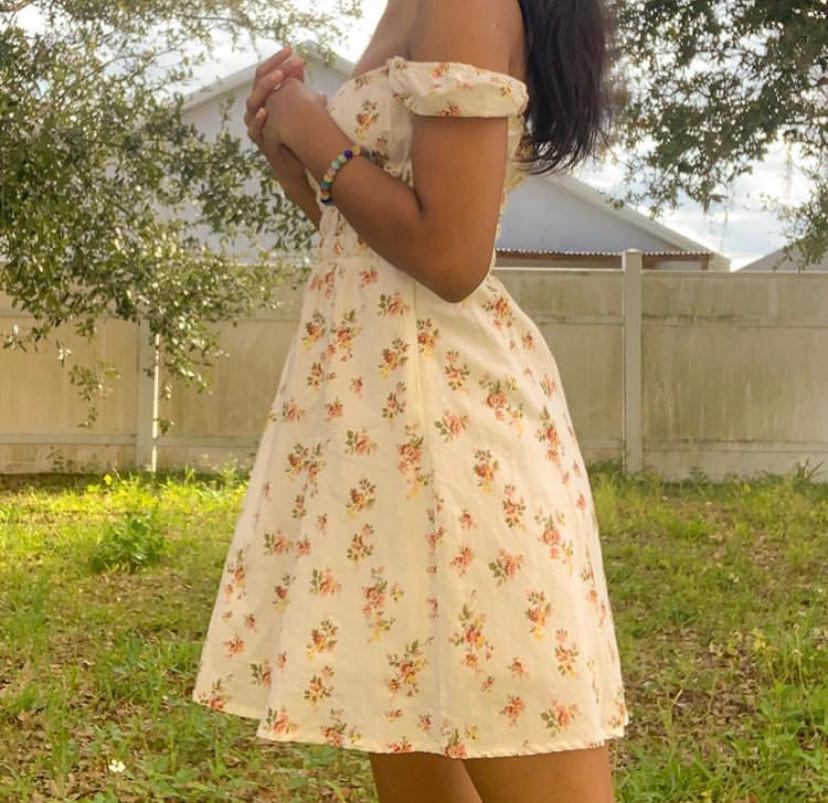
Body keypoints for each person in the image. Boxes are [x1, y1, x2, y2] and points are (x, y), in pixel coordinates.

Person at [191, 1, 630, 801]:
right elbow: (376, 247)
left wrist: (313, 131)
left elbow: (451, 255)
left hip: (454, 447)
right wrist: (296, 160)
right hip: (383, 450)